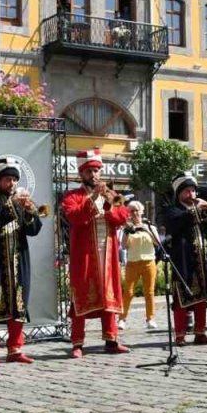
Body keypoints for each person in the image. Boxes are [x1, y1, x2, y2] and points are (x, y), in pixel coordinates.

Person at [60, 149, 131, 358]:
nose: (94, 175)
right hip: (84, 256)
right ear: (81, 173)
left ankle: (111, 340)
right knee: (81, 295)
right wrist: (94, 198)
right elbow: (74, 217)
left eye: (97, 170)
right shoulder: (72, 196)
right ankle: (77, 343)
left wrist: (108, 203)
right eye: (90, 171)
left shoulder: (111, 193)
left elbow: (122, 218)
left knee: (109, 295)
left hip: (108, 255)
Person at [0, 156, 41, 365]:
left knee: (18, 305)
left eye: (14, 179)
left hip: (18, 262)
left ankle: (15, 349)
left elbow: (33, 230)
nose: (11, 183)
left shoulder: (21, 203)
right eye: (6, 179)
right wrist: (11, 205)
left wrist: (30, 212)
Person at [163, 173, 207, 345]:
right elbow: (176, 223)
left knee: (202, 297)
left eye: (193, 191)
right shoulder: (173, 210)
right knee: (181, 299)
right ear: (179, 194)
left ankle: (200, 332)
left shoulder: (201, 208)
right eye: (187, 191)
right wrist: (196, 210)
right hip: (183, 262)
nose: (191, 194)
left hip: (204, 262)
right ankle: (180, 335)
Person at [120, 201, 160, 329]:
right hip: (133, 262)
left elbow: (158, 243)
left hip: (148, 262)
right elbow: (123, 246)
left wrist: (146, 230)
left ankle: (151, 318)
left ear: (142, 212)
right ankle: (122, 319)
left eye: (137, 210)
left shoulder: (150, 226)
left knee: (149, 292)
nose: (135, 213)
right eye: (132, 211)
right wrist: (128, 231)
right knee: (128, 292)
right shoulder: (127, 228)